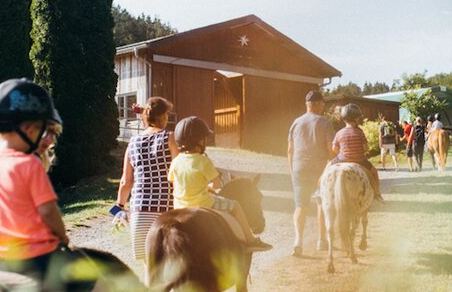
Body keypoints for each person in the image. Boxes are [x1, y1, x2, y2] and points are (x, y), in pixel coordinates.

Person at [0, 78, 69, 282]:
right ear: (29, 129)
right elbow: (48, 210)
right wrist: (63, 236)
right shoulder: (29, 164)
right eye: (41, 129)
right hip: (36, 259)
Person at [167, 116, 272, 252]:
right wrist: (209, 188)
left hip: (179, 206)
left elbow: (174, 183)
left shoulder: (176, 161)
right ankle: (251, 240)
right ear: (199, 140)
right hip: (203, 203)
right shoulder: (203, 161)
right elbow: (217, 185)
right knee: (236, 206)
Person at [114, 97, 178, 260]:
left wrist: (118, 209)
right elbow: (178, 171)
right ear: (163, 116)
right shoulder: (169, 137)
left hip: (139, 211)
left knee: (149, 269)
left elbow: (125, 182)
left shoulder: (132, 143)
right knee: (171, 265)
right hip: (166, 208)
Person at [288, 90, 334, 257]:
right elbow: (330, 150)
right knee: (321, 203)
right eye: (323, 103)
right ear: (320, 104)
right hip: (319, 169)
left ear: (307, 105)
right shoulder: (325, 122)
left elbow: (290, 150)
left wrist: (291, 170)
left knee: (300, 205)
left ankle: (298, 242)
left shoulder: (295, 122)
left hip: (299, 168)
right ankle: (322, 241)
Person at [330, 103, 384, 202]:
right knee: (374, 172)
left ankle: (319, 190)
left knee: (327, 168)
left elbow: (334, 148)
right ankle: (377, 193)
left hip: (342, 159)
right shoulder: (360, 132)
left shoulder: (339, 133)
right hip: (359, 160)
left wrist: (342, 153)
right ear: (356, 118)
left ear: (344, 119)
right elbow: (365, 148)